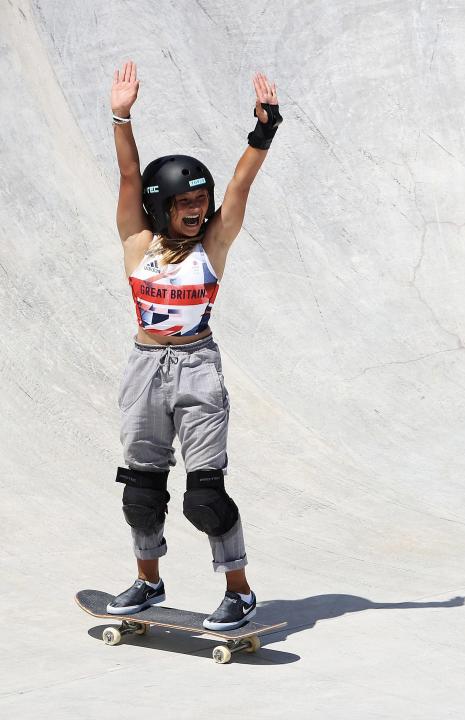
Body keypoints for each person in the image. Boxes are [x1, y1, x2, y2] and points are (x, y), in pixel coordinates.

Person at [105, 60, 283, 630]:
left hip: (198, 367)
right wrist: (121, 116)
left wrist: (263, 131)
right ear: (162, 208)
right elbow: (130, 176)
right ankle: (148, 581)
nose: (197, 210)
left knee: (205, 495)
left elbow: (239, 185)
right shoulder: (136, 241)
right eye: (185, 205)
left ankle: (240, 590)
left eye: (200, 203)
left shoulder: (215, 245)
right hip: (144, 368)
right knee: (142, 489)